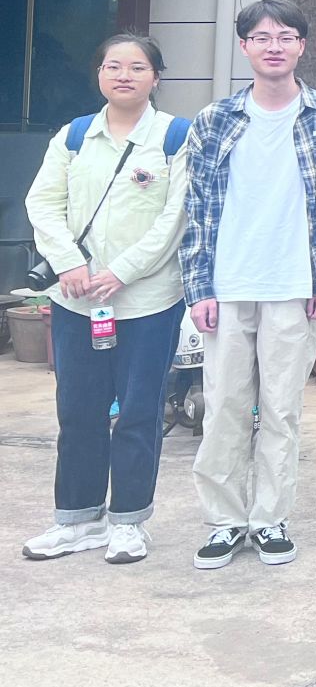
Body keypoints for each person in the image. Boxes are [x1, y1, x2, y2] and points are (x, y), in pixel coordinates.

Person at [181, 0, 316, 569]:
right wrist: (199, 287)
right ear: (244, 47)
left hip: (295, 283)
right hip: (228, 284)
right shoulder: (215, 120)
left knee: (282, 410)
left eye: (285, 36)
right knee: (223, 408)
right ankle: (224, 521)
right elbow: (197, 208)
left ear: (302, 46)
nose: (274, 46)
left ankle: (270, 519)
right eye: (261, 37)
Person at [21, 34, 190, 566]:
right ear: (98, 74)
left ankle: (128, 522)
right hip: (76, 299)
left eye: (137, 67)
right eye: (113, 66)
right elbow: (42, 203)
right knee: (78, 410)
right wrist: (69, 262)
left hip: (148, 302)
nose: (124, 75)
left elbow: (176, 218)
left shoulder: (175, 138)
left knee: (139, 412)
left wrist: (122, 271)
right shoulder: (73, 137)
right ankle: (77, 520)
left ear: (156, 77)